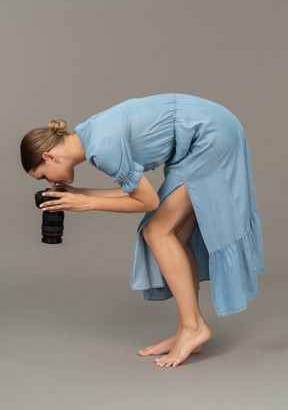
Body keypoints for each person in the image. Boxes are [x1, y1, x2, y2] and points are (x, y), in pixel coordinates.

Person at [20, 93, 265, 368]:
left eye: (42, 176)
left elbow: (147, 201)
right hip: (202, 134)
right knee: (174, 233)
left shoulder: (102, 148)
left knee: (157, 231)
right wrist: (78, 193)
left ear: (49, 156)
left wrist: (86, 203)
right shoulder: (89, 135)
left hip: (209, 136)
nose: (47, 182)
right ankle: (189, 326)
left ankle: (193, 329)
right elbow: (134, 190)